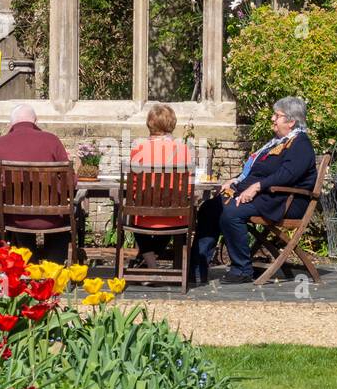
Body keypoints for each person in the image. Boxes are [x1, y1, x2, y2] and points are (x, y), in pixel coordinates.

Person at [195, 96, 316, 284]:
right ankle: (197, 268)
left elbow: (287, 174)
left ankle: (242, 269)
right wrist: (236, 181)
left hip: (283, 200)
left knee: (231, 212)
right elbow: (256, 171)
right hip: (265, 196)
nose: (273, 119)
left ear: (291, 122)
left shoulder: (300, 144)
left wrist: (256, 187)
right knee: (210, 208)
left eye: (277, 115)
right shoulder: (277, 143)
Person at [0, 103, 76, 263]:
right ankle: (54, 268)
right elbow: (71, 181)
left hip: (16, 217)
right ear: (35, 121)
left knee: (18, 215)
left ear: (11, 123)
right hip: (53, 217)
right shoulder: (52, 140)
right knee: (67, 215)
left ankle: (28, 263)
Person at [127, 103, 193, 270]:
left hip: (143, 216)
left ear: (150, 123)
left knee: (131, 213)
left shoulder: (139, 149)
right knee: (170, 219)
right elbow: (189, 186)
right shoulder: (183, 149)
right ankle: (151, 266)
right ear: (172, 124)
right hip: (175, 215)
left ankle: (151, 267)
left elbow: (133, 185)